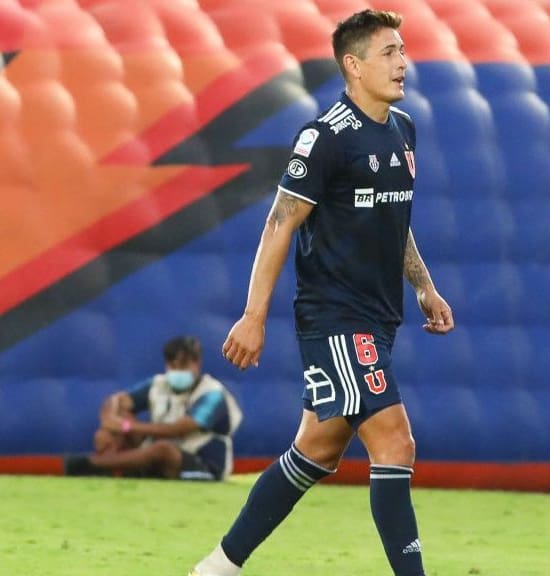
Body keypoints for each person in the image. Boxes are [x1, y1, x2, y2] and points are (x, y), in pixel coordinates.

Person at [190, 9, 453, 576]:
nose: (403, 62)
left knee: (317, 448)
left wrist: (425, 287)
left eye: (403, 50)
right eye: (389, 52)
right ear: (353, 66)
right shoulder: (325, 137)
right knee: (395, 443)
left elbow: (395, 220)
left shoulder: (403, 129)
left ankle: (218, 566)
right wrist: (253, 315)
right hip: (335, 317)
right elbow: (280, 222)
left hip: (379, 317)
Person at [64, 335, 242, 481]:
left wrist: (126, 426)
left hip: (203, 462)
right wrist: (108, 422)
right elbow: (116, 400)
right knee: (109, 432)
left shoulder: (213, 393)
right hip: (159, 451)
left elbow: (178, 429)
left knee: (162, 449)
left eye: (183, 366)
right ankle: (112, 469)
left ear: (197, 364)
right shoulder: (158, 384)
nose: (177, 371)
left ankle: (93, 464)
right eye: (173, 366)